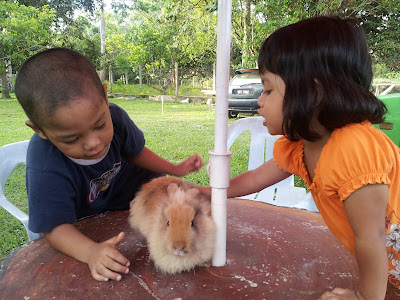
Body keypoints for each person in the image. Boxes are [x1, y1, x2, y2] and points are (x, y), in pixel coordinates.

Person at [202, 17, 400, 299]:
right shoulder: (302, 145)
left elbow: (371, 238)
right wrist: (211, 193)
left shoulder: (354, 149)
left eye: (268, 89)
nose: (260, 100)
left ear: (314, 92)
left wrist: (364, 297)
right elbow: (259, 177)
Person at [14, 48, 203, 282]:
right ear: (39, 130)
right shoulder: (46, 163)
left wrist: (175, 169)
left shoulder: (117, 117)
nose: (94, 144)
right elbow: (53, 227)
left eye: (100, 124)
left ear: (105, 96)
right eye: (72, 139)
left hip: (127, 197)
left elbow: (136, 153)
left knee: (162, 188)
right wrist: (91, 252)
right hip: (85, 220)